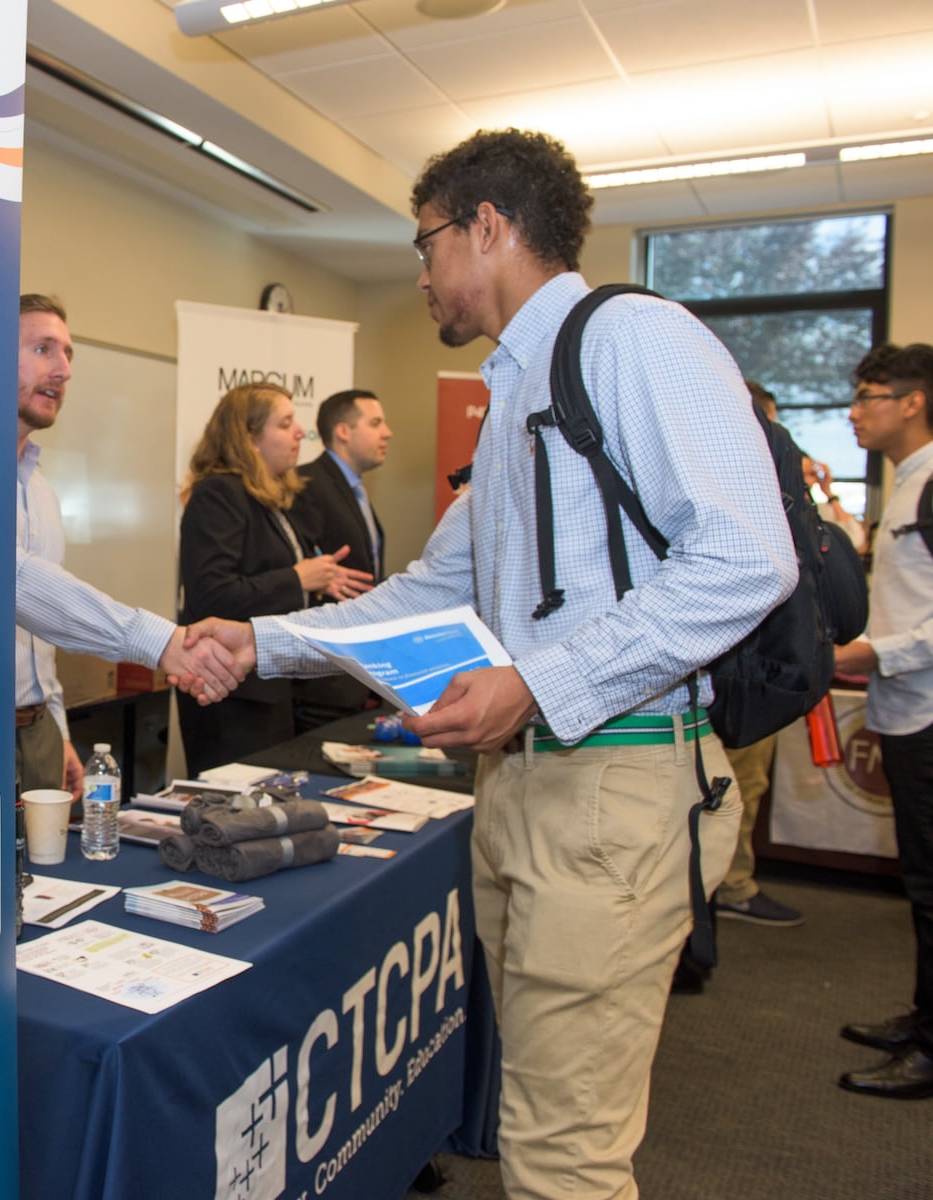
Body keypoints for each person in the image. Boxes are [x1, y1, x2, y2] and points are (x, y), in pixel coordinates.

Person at [189, 129, 796, 1197]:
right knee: (534, 1120)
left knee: (563, 1155)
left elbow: (747, 558)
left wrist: (538, 684)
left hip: (614, 778)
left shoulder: (633, 340)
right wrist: (263, 641)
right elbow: (434, 587)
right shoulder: (514, 390)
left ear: (487, 228)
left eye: (425, 243)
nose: (418, 273)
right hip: (524, 781)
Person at [833, 342, 933, 1100]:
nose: (854, 411)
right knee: (929, 878)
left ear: (913, 402)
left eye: (870, 395)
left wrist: (879, 651)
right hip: (913, 709)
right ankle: (932, 1016)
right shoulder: (906, 487)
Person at [175, 383, 371, 773]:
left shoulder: (270, 500)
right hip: (230, 693)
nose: (300, 432)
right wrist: (298, 579)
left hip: (270, 688)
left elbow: (270, 578)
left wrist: (318, 582)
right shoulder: (218, 494)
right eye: (285, 423)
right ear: (248, 438)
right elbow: (212, 594)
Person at [708, 381, 806, 931]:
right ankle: (729, 887)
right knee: (735, 784)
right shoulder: (728, 493)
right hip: (734, 672)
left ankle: (727, 886)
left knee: (748, 783)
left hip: (757, 666)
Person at [13, 293, 85, 799]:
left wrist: (58, 733)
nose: (62, 370)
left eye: (67, 354)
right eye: (43, 349)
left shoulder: (43, 495)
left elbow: (43, 639)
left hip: (39, 731)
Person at [14, 549, 245, 702]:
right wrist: (164, 643)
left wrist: (58, 730)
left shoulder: (44, 494)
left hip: (41, 722)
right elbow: (15, 576)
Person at [290, 388, 392, 730]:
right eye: (375, 423)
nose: (387, 432)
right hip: (322, 685)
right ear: (343, 431)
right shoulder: (307, 484)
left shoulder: (355, 490)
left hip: (356, 677)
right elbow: (301, 573)